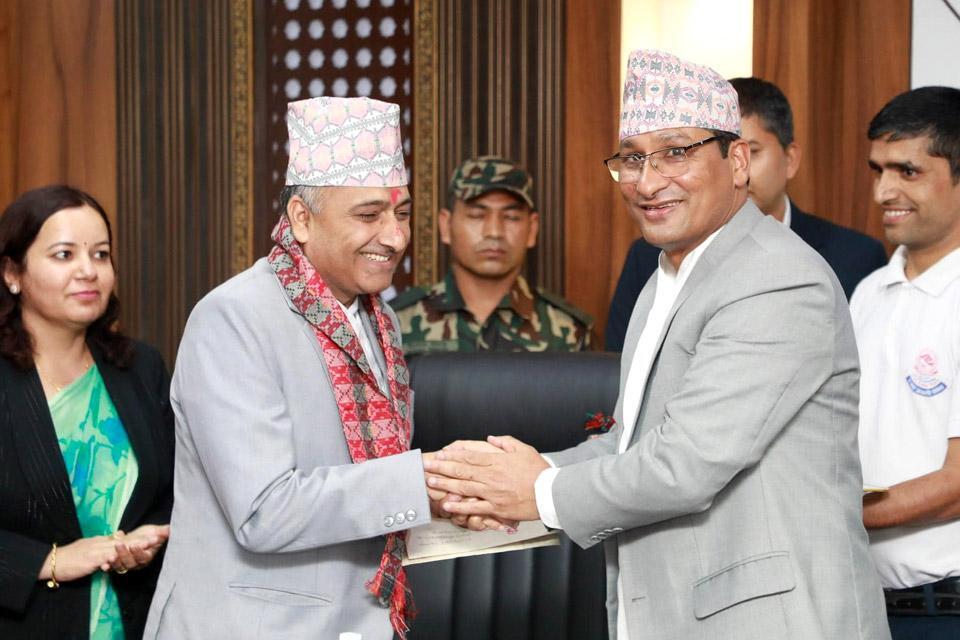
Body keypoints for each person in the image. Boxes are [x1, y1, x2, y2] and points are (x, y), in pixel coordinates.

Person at [424, 49, 890, 639]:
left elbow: (686, 464)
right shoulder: (664, 277)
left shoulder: (776, 276)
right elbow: (632, 443)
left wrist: (536, 490)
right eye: (632, 158)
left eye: (676, 153)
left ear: (737, 161)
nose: (647, 182)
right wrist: (498, 480)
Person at [143, 97, 437, 640]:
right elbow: (264, 511)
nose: (395, 237)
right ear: (302, 218)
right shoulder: (233, 318)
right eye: (368, 215)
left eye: (401, 214)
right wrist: (425, 482)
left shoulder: (382, 320)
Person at [0, 185, 173, 639]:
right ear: (12, 273)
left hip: (137, 620)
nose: (88, 271)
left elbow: (174, 491)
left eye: (100, 254)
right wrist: (49, 561)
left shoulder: (140, 368)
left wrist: (148, 542)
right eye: (64, 255)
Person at [605, 76, 888, 351]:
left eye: (753, 152)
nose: (735, 170)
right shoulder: (649, 257)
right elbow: (619, 368)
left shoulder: (853, 257)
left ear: (790, 160)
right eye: (635, 159)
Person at [852, 86, 960, 640]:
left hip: (945, 612)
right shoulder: (867, 292)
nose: (883, 192)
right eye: (878, 170)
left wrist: (833, 513)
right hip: (861, 606)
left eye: (908, 172)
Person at [391, 156, 592, 354]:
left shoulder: (568, 331)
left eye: (511, 217)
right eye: (477, 216)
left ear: (532, 229)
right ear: (446, 226)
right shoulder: (394, 323)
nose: (494, 232)